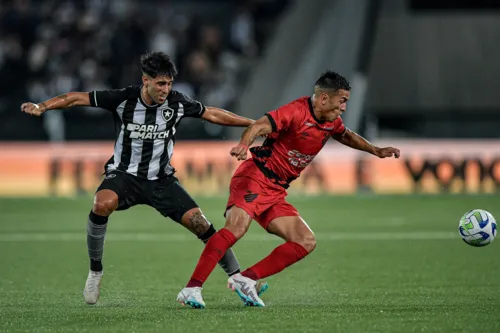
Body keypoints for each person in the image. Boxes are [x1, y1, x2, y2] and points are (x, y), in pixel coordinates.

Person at [20, 51, 268, 305]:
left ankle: (237, 277)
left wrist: (254, 124)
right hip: (124, 176)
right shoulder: (123, 99)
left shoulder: (177, 102)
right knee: (101, 204)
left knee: (201, 224)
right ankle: (96, 271)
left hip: (161, 181)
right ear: (145, 80)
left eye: (169, 83)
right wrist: (42, 106)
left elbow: (212, 113)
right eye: (161, 83)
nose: (166, 89)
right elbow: (75, 99)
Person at [176, 71, 400, 308]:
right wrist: (244, 145)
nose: (344, 108)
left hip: (275, 190)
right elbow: (259, 126)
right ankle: (192, 288)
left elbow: (345, 135)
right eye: (342, 100)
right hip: (255, 177)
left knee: (305, 241)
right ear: (323, 98)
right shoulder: (295, 112)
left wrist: (375, 150)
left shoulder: (331, 121)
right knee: (236, 229)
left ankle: (246, 280)